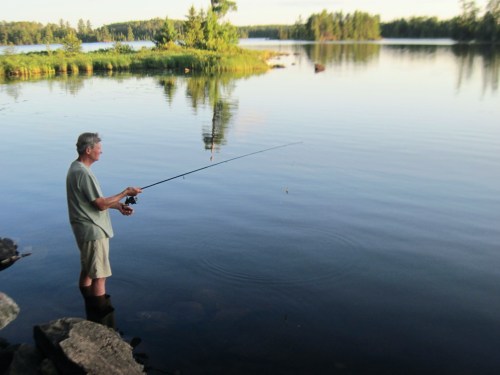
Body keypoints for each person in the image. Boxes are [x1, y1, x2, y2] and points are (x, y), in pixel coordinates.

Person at [66, 132, 141, 303]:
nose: (101, 152)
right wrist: (125, 193)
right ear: (88, 150)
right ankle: (101, 318)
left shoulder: (75, 167)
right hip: (93, 230)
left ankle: (87, 305)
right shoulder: (83, 173)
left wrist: (118, 206)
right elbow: (100, 204)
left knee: (87, 269)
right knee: (100, 276)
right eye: (99, 149)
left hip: (83, 229)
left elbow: (92, 202)